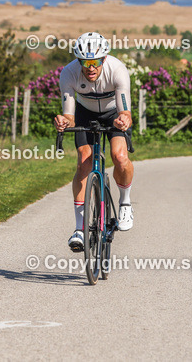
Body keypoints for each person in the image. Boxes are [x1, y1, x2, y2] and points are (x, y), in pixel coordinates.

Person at [54, 31, 134, 252]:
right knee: (84, 161)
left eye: (96, 62)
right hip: (84, 113)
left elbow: (125, 112)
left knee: (120, 156)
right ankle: (79, 229)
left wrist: (123, 120)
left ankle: (125, 202)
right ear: (79, 61)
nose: (91, 67)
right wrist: (62, 121)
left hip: (113, 114)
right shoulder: (69, 74)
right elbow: (70, 117)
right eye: (86, 62)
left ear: (104, 59)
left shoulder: (117, 70)